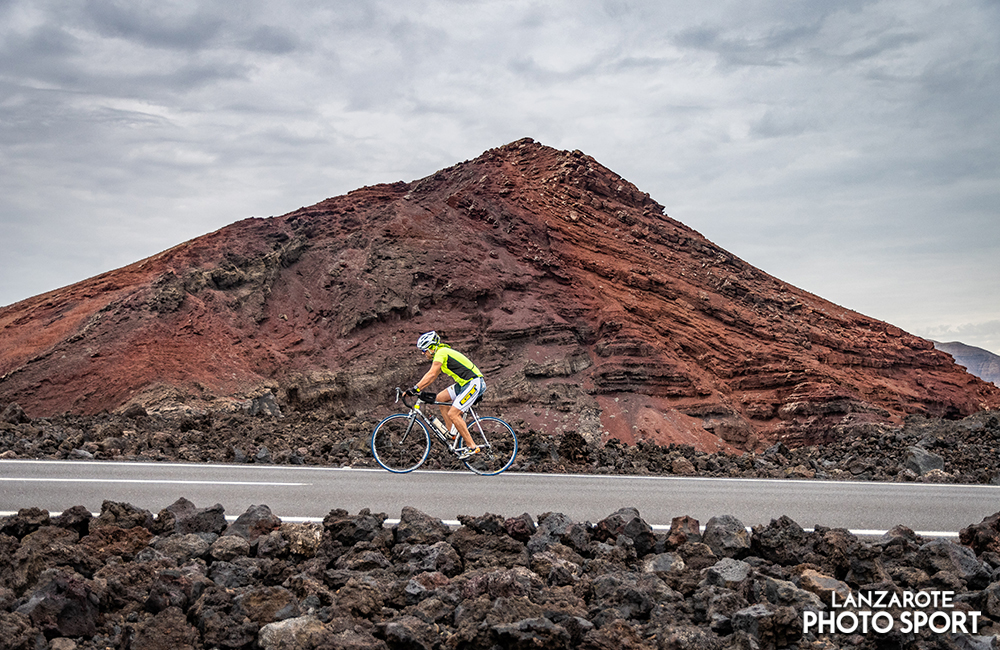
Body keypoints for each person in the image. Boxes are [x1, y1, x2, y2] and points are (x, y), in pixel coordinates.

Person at [406, 331, 485, 459]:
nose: (422, 353)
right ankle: (452, 433)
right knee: (440, 398)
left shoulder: (441, 353)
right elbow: (432, 377)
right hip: (465, 384)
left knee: (453, 413)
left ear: (432, 348)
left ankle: (472, 446)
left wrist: (415, 389)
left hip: (474, 383)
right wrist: (418, 389)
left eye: (424, 350)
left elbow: (431, 374)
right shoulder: (441, 353)